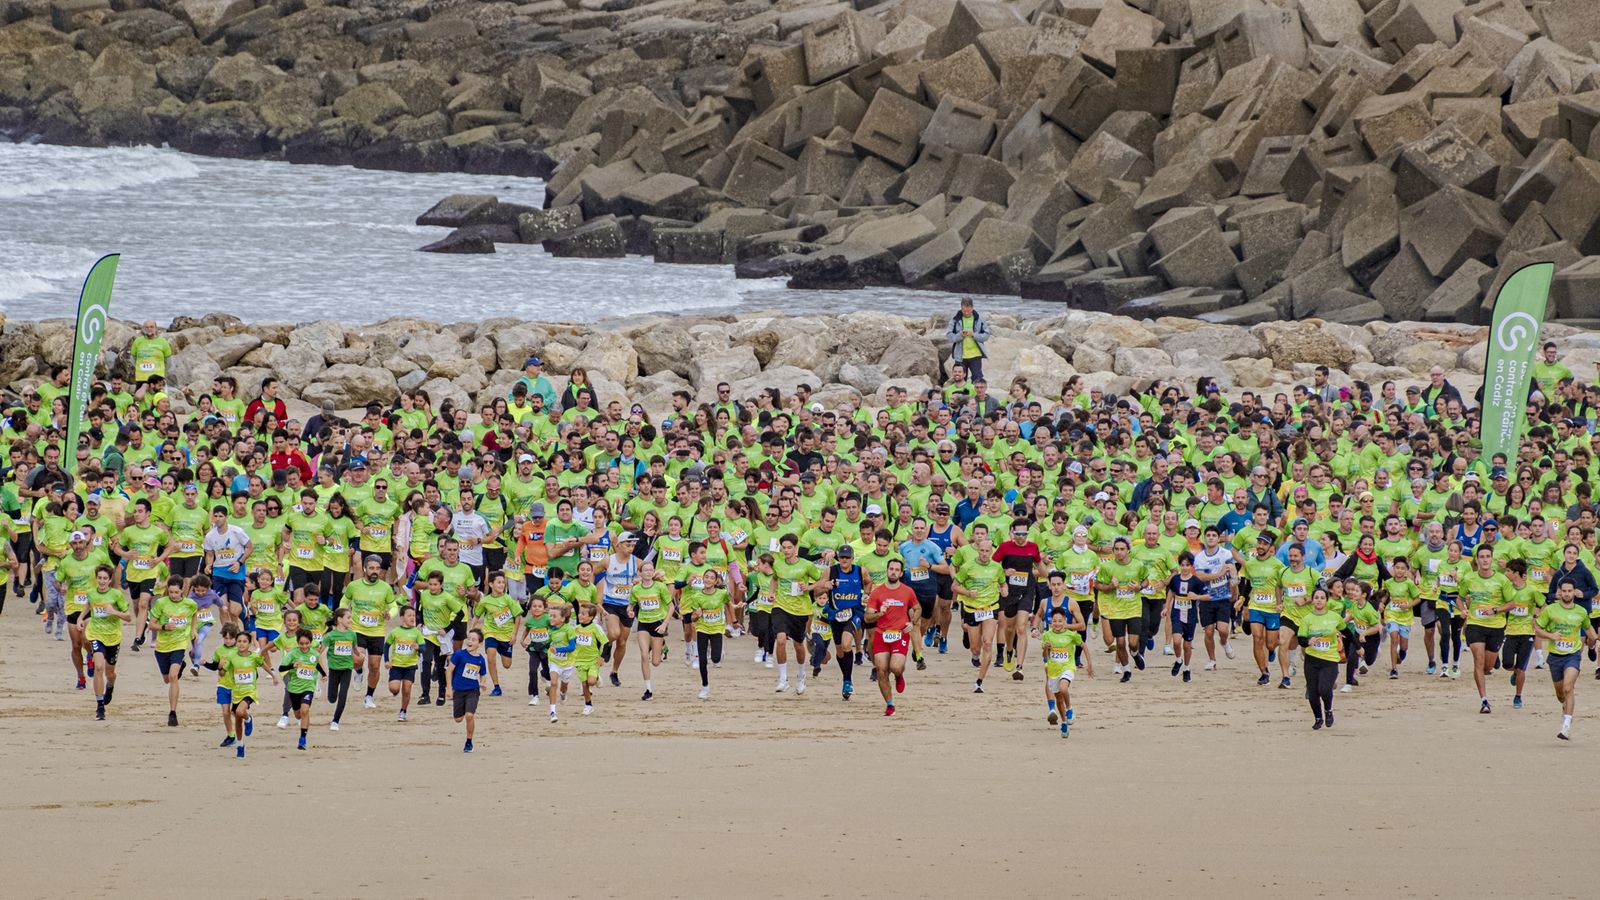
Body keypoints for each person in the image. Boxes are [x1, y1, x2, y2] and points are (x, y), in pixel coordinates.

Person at [1534, 581, 1597, 740]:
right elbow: (1538, 629)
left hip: (1573, 655)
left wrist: (1594, 639)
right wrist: (1550, 636)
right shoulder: (1551, 610)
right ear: (1560, 592)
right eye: (1564, 591)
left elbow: (1588, 628)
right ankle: (1565, 705)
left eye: (1570, 591)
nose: (1567, 593)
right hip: (1555, 656)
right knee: (1561, 693)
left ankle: (1566, 725)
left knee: (1569, 687)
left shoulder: (1581, 611)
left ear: (1575, 592)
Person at [1462, 544, 1515, 714]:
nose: (1484, 560)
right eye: (1481, 557)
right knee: (1478, 660)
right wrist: (1462, 608)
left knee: (1487, 667)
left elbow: (1512, 603)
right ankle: (1484, 700)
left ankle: (1492, 661)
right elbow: (1459, 596)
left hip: (1496, 626)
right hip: (1475, 624)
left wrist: (1495, 610)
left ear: (1492, 559)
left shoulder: (1502, 580)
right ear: (1476, 560)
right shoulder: (1469, 578)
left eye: (1487, 556)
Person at [864, 559, 915, 715]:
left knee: (895, 667)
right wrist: (880, 613)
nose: (893, 572)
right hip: (882, 635)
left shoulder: (907, 591)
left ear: (901, 573)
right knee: (881, 670)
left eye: (896, 569)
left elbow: (917, 608)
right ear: (887, 571)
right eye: (890, 569)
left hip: (900, 634)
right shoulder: (877, 592)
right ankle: (890, 703)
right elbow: (867, 617)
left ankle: (899, 676)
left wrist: (912, 622)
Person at [85, 565, 131, 721]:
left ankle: (110, 686)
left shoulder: (116, 595)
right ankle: (99, 706)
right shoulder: (91, 593)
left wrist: (114, 612)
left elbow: (128, 617)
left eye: (105, 578)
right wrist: (80, 619)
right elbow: (88, 606)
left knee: (109, 673)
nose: (102, 581)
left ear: (110, 580)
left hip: (113, 637)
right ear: (96, 578)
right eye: (99, 578)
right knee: (98, 667)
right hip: (96, 634)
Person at [151, 579, 198, 727]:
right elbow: (151, 624)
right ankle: (180, 666)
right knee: (167, 679)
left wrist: (193, 629)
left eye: (176, 592)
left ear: (182, 591)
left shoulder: (189, 604)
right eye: (171, 592)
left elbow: (194, 614)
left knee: (173, 677)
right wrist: (164, 627)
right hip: (162, 647)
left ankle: (173, 713)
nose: (173, 595)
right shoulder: (161, 603)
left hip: (179, 644)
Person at [1297, 588, 1345, 730]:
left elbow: (1346, 630)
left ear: (1326, 600)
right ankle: (1318, 718)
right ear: (1313, 600)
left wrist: (1358, 646)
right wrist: (1308, 642)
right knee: (1313, 693)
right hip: (1312, 660)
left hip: (1330, 659)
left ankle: (1328, 710)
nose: (1319, 600)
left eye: (1322, 598)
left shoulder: (1334, 617)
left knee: (1324, 689)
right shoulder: (1307, 619)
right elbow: (1301, 639)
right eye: (1316, 597)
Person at [1039, 607, 1086, 738]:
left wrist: (1090, 665)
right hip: (1053, 670)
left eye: (1060, 621)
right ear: (1051, 622)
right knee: (1059, 698)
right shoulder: (1047, 635)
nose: (1057, 623)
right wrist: (1046, 648)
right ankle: (1064, 722)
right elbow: (1044, 655)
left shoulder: (1071, 634)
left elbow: (1083, 644)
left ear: (1065, 621)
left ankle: (1069, 708)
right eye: (1055, 621)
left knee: (1064, 688)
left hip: (1067, 667)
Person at [627, 561, 670, 700]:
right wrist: (630, 612)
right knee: (644, 655)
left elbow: (671, 607)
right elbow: (631, 606)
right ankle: (648, 690)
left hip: (658, 624)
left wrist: (664, 624)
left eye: (651, 570)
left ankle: (662, 645)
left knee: (656, 662)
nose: (649, 572)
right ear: (640, 573)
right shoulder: (636, 589)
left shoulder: (660, 587)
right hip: (643, 624)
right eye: (646, 570)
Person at [684, 569, 730, 700]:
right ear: (703, 579)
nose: (708, 580)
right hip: (702, 629)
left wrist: (733, 621)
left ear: (716, 581)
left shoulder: (722, 594)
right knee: (702, 660)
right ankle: (705, 686)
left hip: (716, 629)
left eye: (711, 578)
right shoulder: (697, 597)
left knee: (716, 659)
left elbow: (728, 604)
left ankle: (718, 652)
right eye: (706, 577)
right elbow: (692, 618)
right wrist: (696, 616)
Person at [277, 628, 323, 751]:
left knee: (305, 710)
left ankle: (302, 739)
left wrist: (324, 674)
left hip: (308, 687)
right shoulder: (292, 654)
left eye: (307, 643)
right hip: (293, 688)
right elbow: (281, 669)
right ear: (297, 643)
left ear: (310, 643)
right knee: (298, 714)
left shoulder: (314, 654)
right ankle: (302, 720)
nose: (304, 646)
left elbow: (317, 665)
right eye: (301, 644)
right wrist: (292, 666)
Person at [1165, 551, 1208, 681]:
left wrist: (1197, 597)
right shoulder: (1175, 579)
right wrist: (1166, 608)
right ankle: (1178, 660)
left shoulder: (1196, 581)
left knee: (1187, 645)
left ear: (1191, 566)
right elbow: (1171, 592)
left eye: (1187, 565)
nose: (1184, 568)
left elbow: (1208, 595)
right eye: (1182, 565)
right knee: (1177, 641)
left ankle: (1187, 668)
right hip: (1177, 613)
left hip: (1190, 615)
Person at [451, 629, 488, 752]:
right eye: (469, 639)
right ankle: (461, 713)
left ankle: (469, 741)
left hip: (473, 690)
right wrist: (448, 689)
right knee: (458, 719)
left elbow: (482, 674)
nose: (470, 641)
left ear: (480, 643)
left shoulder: (481, 660)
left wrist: (482, 683)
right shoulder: (459, 654)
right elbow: (449, 670)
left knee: (469, 715)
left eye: (474, 640)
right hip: (458, 690)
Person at [385, 605, 423, 722]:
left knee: (406, 690)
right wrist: (387, 660)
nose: (412, 618)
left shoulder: (417, 632)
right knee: (394, 688)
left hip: (410, 666)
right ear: (402, 618)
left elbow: (424, 648)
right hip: (396, 665)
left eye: (413, 616)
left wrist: (418, 648)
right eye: (409, 615)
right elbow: (386, 646)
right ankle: (395, 690)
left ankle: (403, 711)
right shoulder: (395, 632)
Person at [570, 602, 608, 715]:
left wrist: (602, 657)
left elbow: (605, 643)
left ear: (591, 617)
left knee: (591, 682)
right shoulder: (575, 629)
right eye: (579, 613)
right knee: (585, 684)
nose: (580, 616)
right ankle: (588, 704)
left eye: (583, 614)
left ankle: (596, 677)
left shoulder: (595, 628)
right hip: (580, 660)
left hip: (593, 660)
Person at [323, 608, 357, 731]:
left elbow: (355, 650)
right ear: (339, 619)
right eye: (348, 617)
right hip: (334, 669)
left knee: (343, 695)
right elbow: (320, 652)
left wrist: (360, 658)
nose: (350, 620)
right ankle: (331, 695)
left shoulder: (352, 634)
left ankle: (335, 721)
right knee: (332, 698)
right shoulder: (331, 636)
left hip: (347, 669)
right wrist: (321, 671)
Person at [945, 297, 991, 384]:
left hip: (976, 355)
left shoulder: (979, 319)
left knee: (977, 379)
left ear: (972, 307)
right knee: (960, 380)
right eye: (964, 310)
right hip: (960, 356)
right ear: (961, 308)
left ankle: (976, 396)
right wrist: (960, 335)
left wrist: (974, 334)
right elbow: (949, 336)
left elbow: (986, 335)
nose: (966, 313)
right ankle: (962, 396)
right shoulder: (955, 320)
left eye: (968, 311)